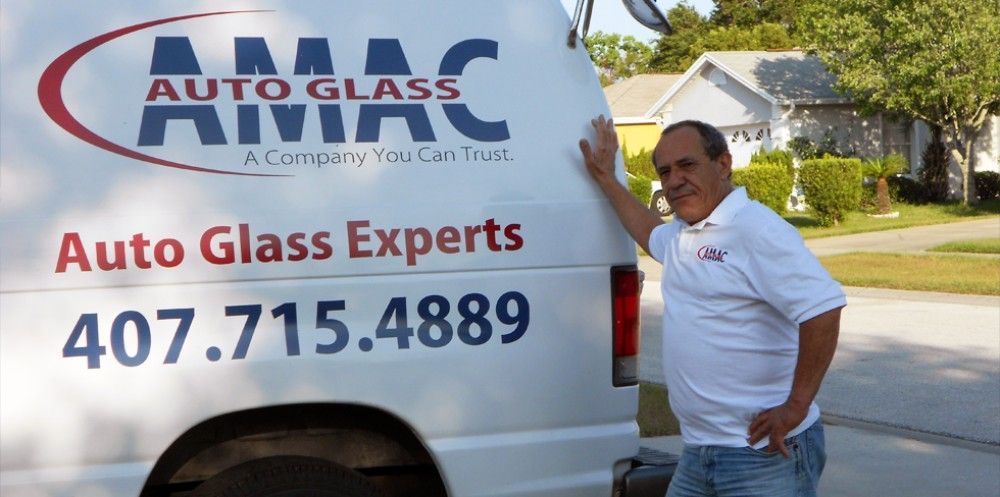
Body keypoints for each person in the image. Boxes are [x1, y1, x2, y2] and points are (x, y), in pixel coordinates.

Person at [579, 115, 845, 497]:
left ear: (723, 164)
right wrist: (606, 178)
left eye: (687, 165)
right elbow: (649, 231)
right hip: (698, 453)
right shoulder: (683, 234)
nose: (674, 180)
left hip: (762, 456)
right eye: (665, 172)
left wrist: (796, 406)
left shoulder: (756, 230)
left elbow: (823, 309)